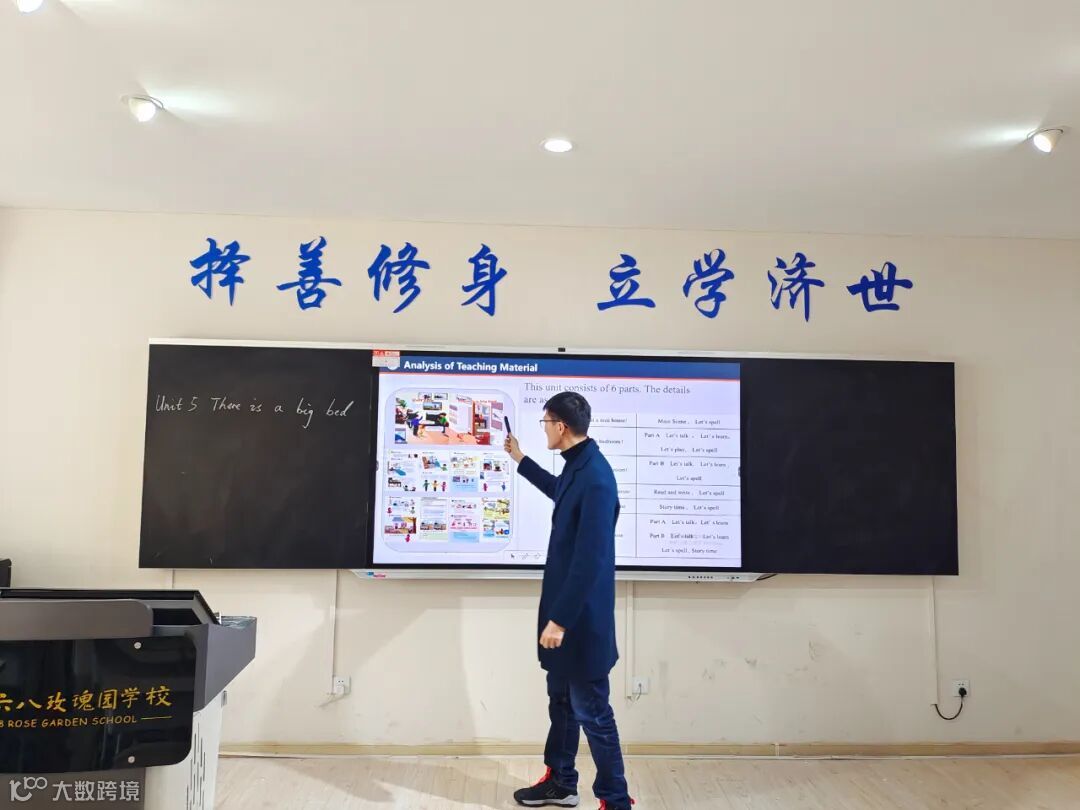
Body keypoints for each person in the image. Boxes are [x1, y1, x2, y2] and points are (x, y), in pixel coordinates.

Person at [505, 392, 633, 810]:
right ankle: (561, 782)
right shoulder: (578, 465)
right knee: (561, 701)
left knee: (592, 712)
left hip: (580, 621)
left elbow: (590, 558)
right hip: (564, 613)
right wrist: (520, 459)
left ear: (560, 426)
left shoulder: (596, 477)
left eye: (545, 422)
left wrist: (559, 620)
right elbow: (559, 490)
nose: (543, 428)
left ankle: (616, 800)